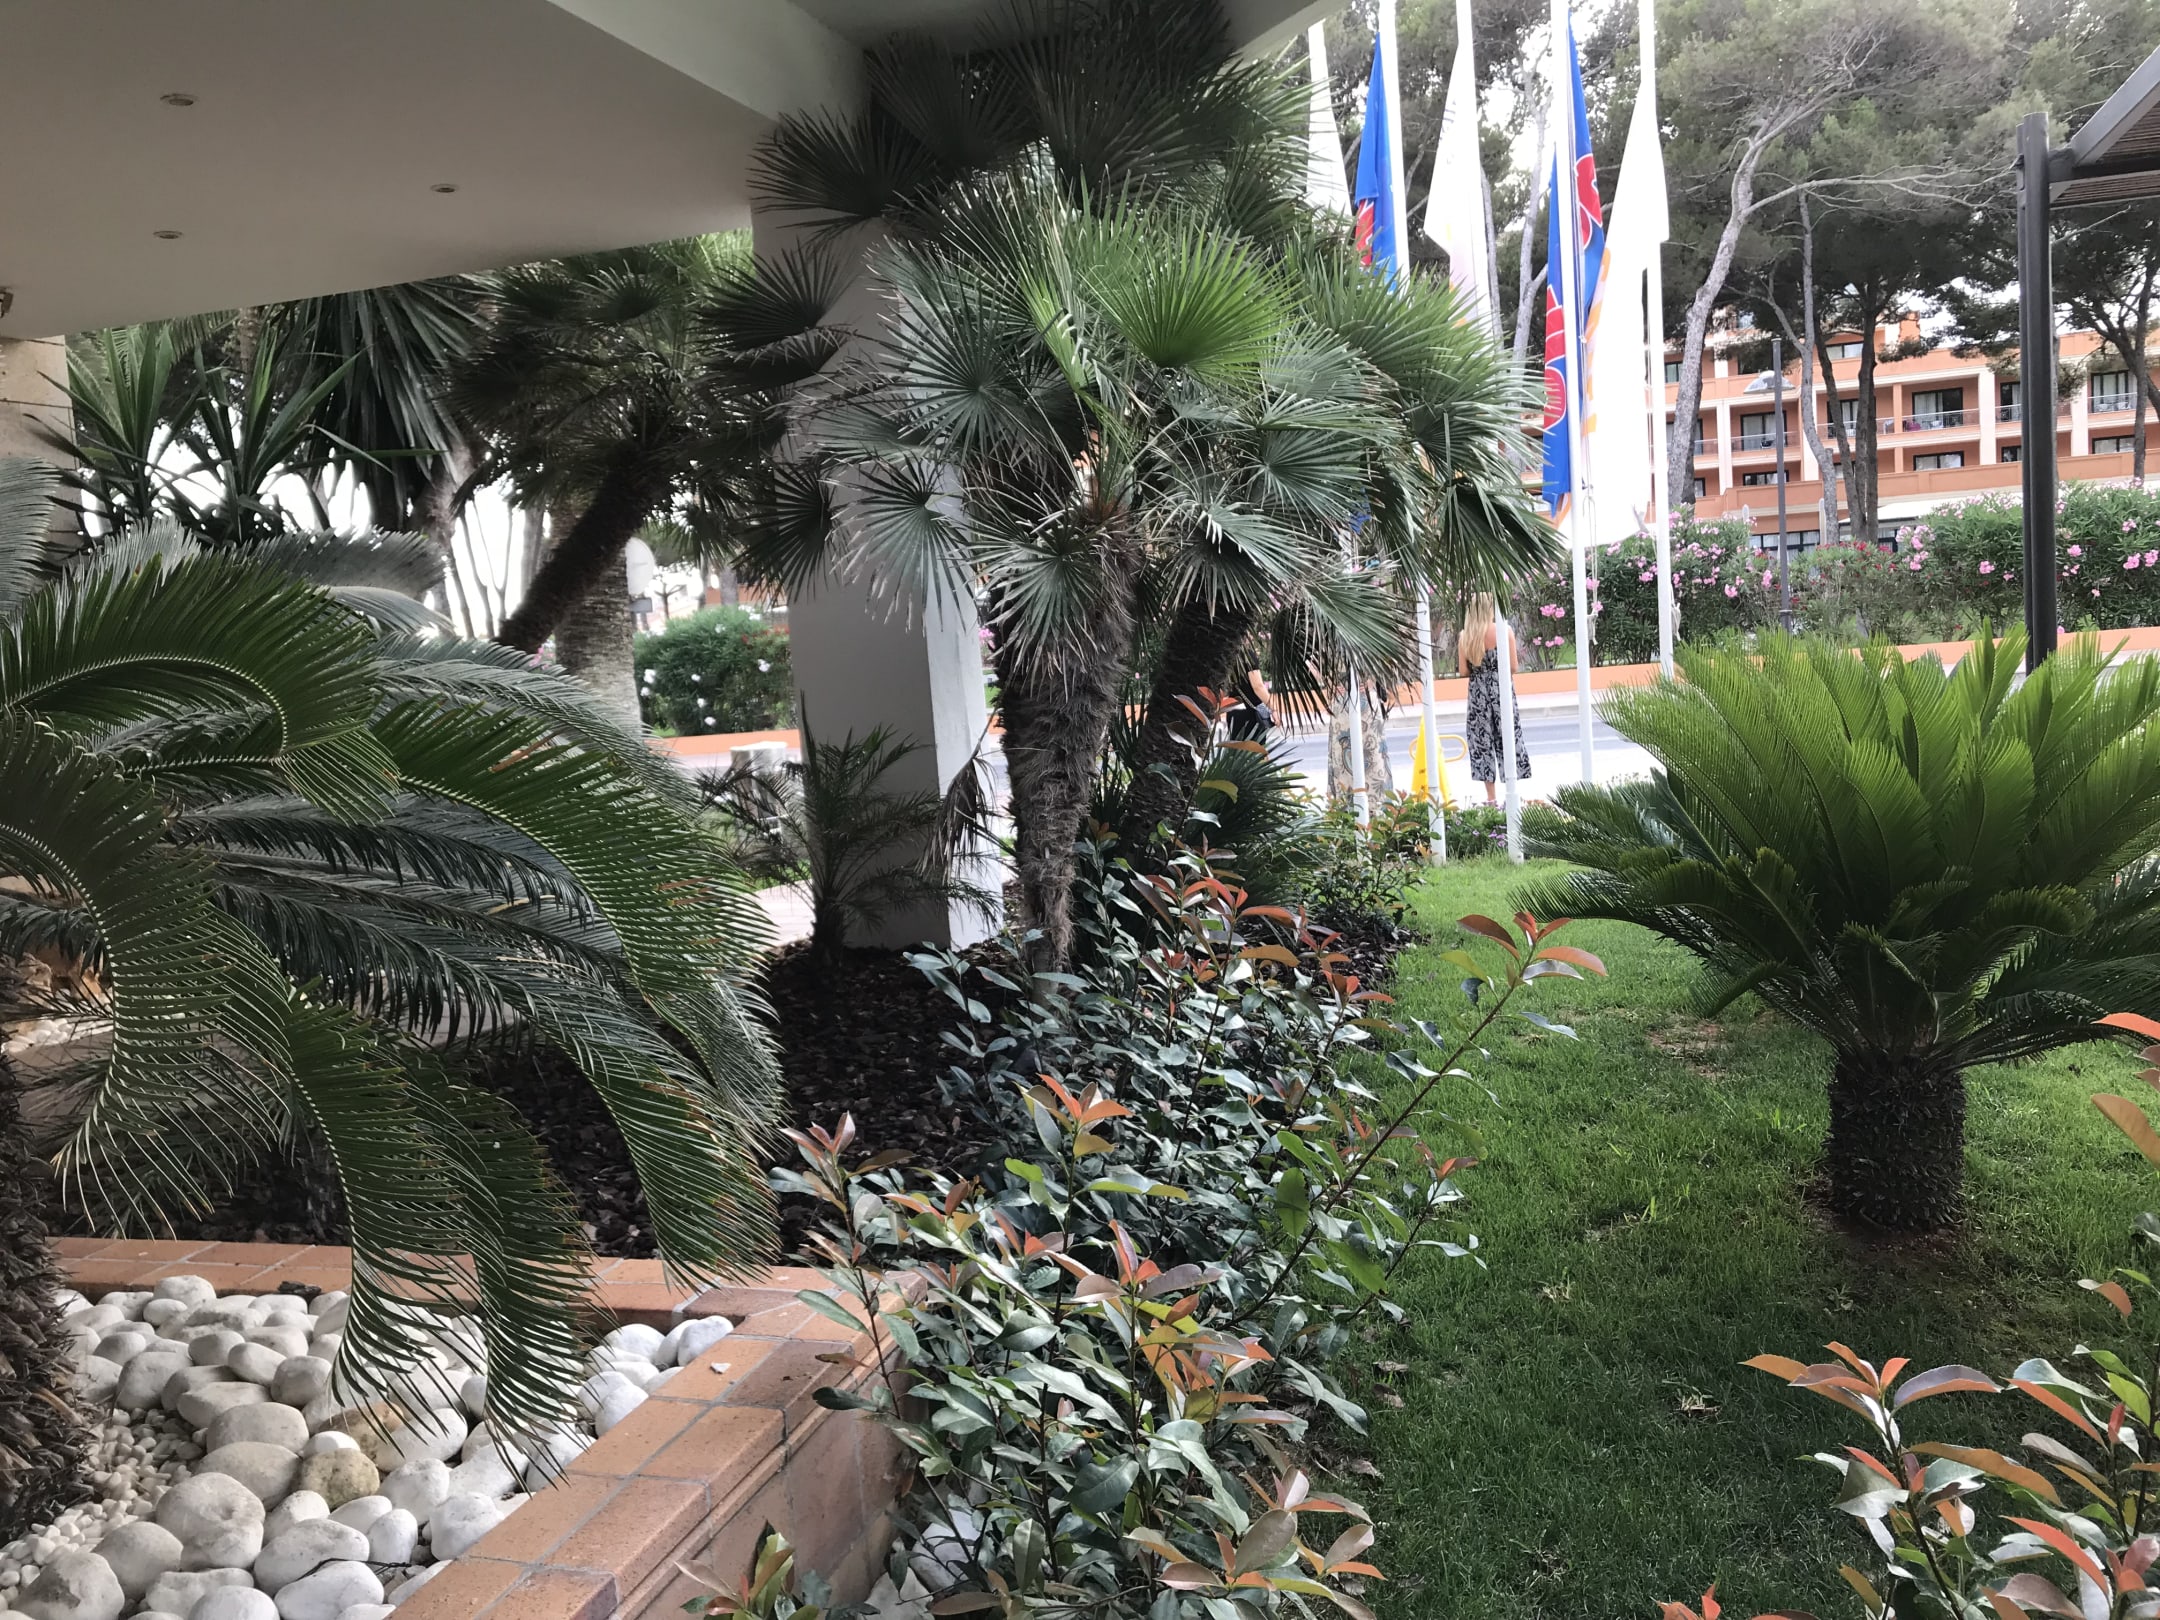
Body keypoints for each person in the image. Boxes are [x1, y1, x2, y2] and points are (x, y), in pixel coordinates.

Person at [1458, 593, 1529, 806]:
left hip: (1478, 693)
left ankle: (1491, 798)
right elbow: (1513, 667)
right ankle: (1511, 791)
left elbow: (1463, 671)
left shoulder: (1465, 636)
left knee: (1482, 741)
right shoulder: (1504, 631)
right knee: (1508, 737)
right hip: (1501, 690)